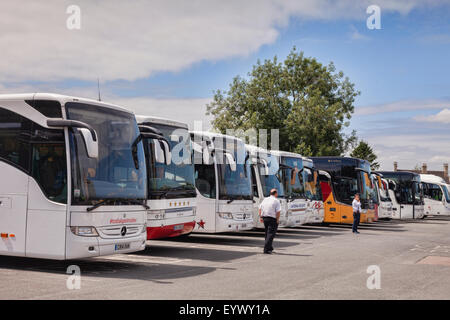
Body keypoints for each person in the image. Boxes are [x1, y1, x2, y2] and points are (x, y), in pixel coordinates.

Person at [259, 188, 281, 254]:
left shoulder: (265, 199)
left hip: (265, 218)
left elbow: (260, 208)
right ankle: (266, 249)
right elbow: (278, 211)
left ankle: (269, 248)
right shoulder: (276, 201)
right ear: (276, 193)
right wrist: (277, 219)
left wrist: (261, 217)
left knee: (267, 233)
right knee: (271, 234)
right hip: (272, 219)